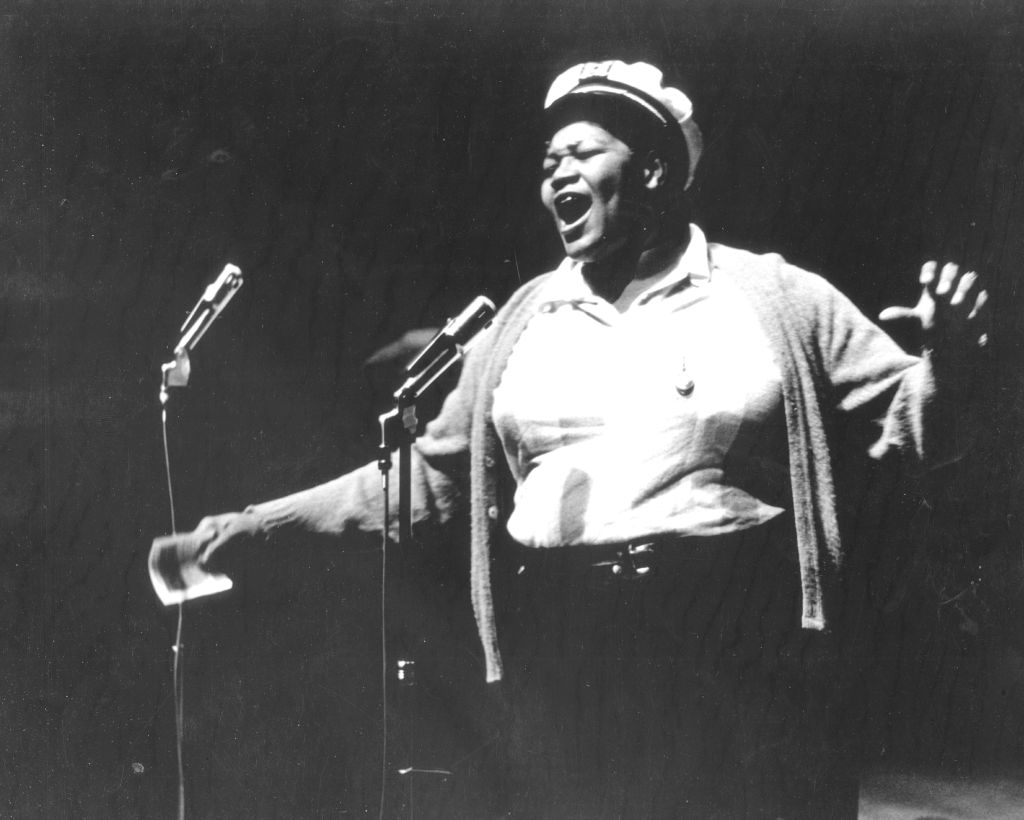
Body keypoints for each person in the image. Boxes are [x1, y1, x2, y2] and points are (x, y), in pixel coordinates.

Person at [164, 60, 990, 818]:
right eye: (548, 160)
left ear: (655, 171)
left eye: (583, 152)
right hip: (565, 644)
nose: (557, 172)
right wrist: (255, 527)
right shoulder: (521, 322)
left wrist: (948, 369)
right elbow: (426, 481)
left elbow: (912, 424)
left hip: (733, 636)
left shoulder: (773, 296)